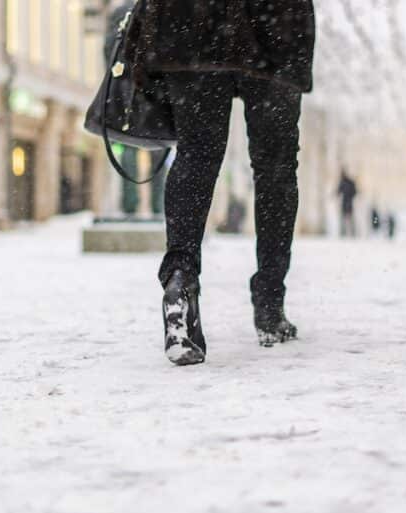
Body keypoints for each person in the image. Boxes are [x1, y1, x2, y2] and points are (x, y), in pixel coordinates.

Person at [125, 0, 316, 365]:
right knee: (275, 167)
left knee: (196, 154)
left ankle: (180, 281)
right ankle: (270, 304)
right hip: (273, 22)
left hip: (191, 20)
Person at [337, 168, 358, 238]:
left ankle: (349, 233)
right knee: (346, 218)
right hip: (347, 202)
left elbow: (338, 191)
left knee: (348, 218)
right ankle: (347, 233)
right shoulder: (347, 182)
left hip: (347, 202)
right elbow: (338, 191)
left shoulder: (346, 182)